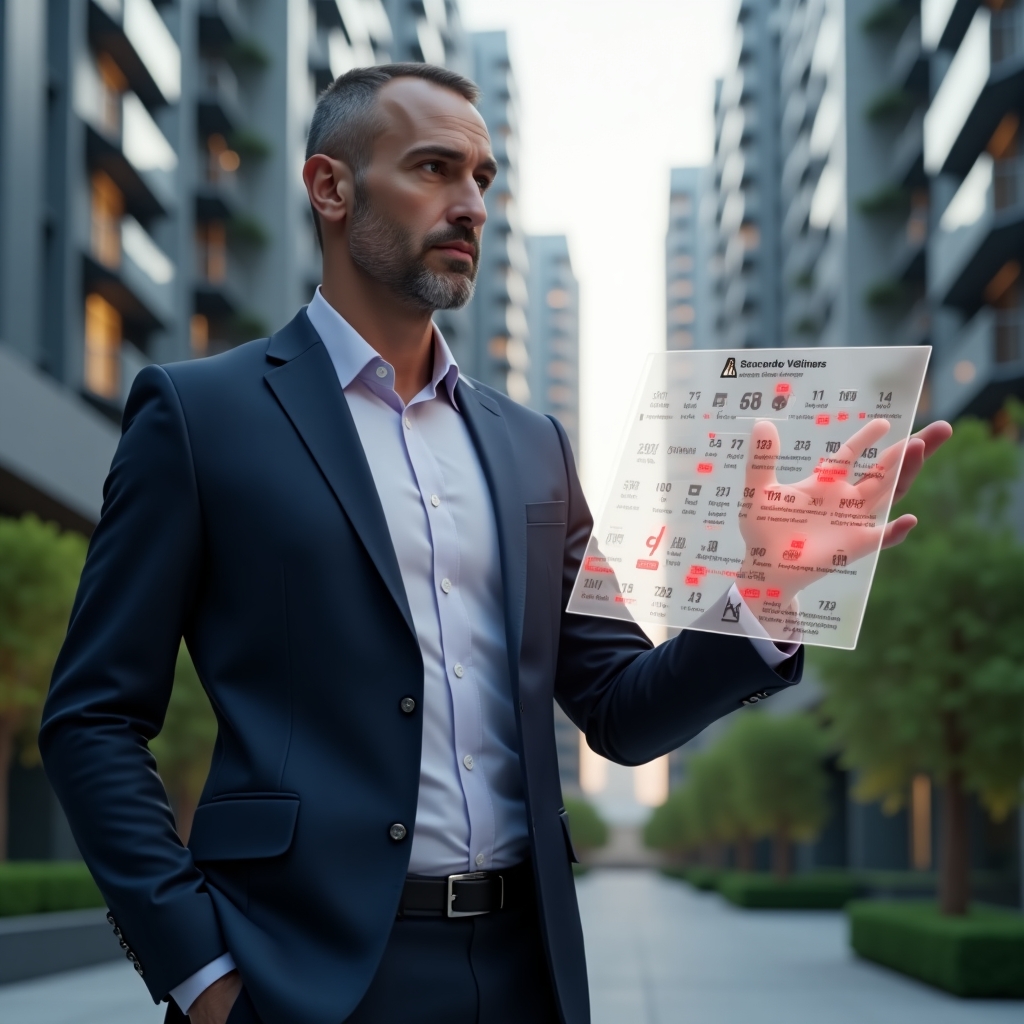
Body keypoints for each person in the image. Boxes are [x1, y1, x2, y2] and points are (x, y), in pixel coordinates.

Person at [39, 64, 951, 1024]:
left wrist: (766, 592)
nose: (470, 204)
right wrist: (203, 975)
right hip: (298, 974)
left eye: (482, 177)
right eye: (434, 168)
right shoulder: (199, 416)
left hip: (525, 972)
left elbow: (618, 707)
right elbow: (94, 716)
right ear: (330, 188)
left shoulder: (533, 449)